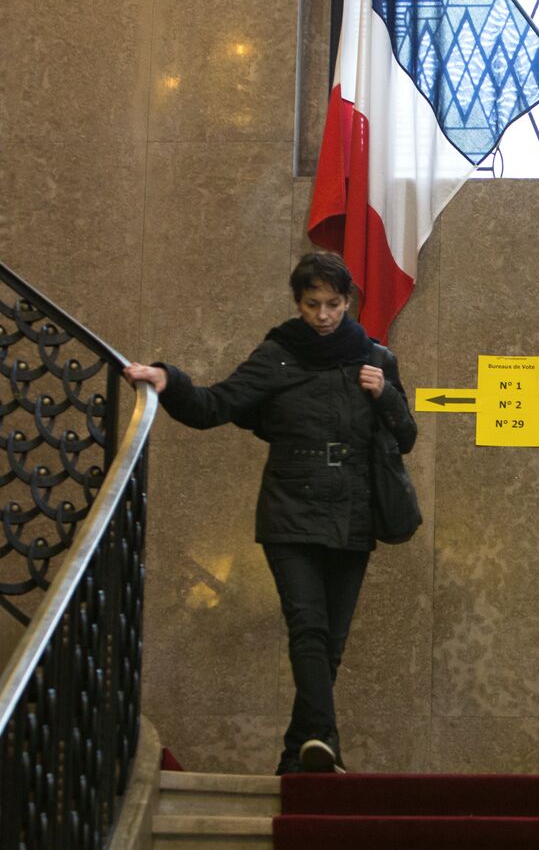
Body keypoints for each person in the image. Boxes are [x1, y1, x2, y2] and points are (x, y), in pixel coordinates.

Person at [123, 251, 417, 775]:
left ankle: (294, 757)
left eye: (332, 304)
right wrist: (170, 380)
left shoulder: (374, 358)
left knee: (331, 644)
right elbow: (217, 405)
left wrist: (386, 396)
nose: (323, 315)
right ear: (298, 303)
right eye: (312, 304)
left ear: (347, 302)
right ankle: (324, 743)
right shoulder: (278, 354)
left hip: (355, 512)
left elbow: (407, 437)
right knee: (308, 627)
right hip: (291, 510)